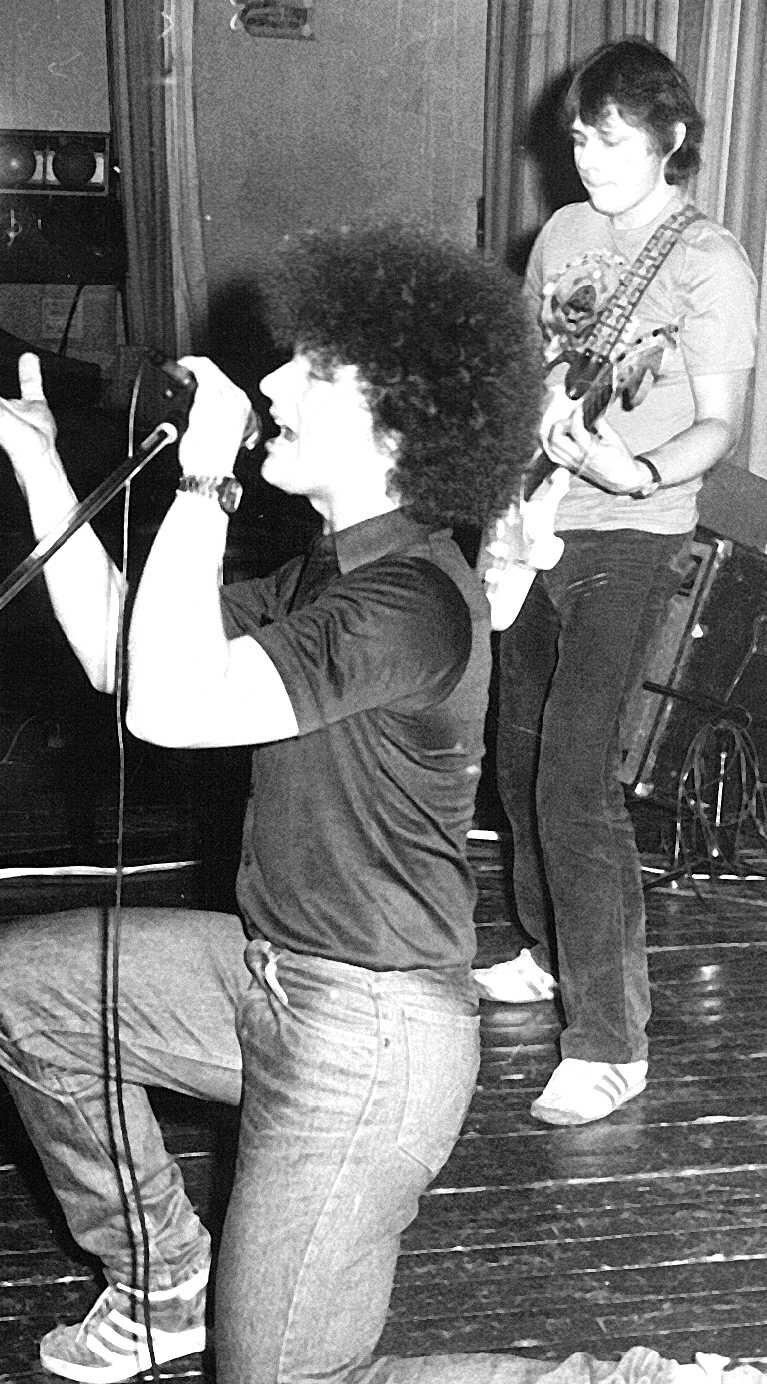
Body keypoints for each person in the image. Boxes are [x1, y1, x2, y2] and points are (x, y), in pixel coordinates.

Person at [0, 222, 766, 1384]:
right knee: (22, 985)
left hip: (369, 1040)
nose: (271, 383)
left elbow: (170, 705)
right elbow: (119, 654)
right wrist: (40, 465)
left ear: (394, 420)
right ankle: (160, 1281)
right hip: (270, 977)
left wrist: (202, 486)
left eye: (310, 372)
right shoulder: (329, 571)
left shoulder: (412, 603)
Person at [474, 37, 758, 1127]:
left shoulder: (708, 260)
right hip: (536, 521)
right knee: (516, 764)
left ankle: (608, 1043)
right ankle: (551, 950)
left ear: (670, 139)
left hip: (632, 534)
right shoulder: (559, 234)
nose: (588, 159)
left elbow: (718, 424)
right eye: (579, 139)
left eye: (612, 140)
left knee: (574, 782)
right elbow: (531, 373)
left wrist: (632, 469)